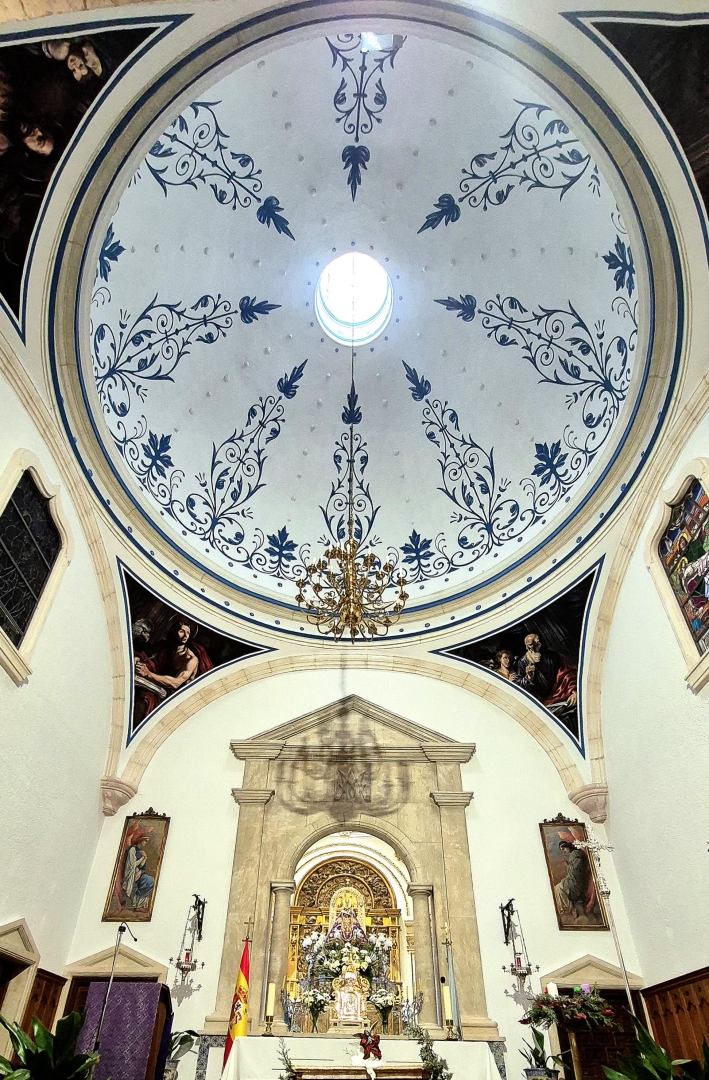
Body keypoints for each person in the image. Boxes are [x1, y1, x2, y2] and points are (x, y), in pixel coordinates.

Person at [135, 616, 213, 699]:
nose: (186, 636)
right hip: (160, 687)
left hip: (176, 697)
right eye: (182, 631)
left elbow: (176, 683)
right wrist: (136, 659)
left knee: (146, 698)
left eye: (188, 633)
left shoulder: (190, 659)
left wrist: (148, 674)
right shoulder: (164, 645)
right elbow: (145, 654)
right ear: (173, 632)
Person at [514, 633, 577, 729]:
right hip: (543, 702)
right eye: (531, 644)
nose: (536, 646)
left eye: (537, 642)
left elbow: (568, 673)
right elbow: (519, 687)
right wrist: (528, 677)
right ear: (527, 647)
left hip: (562, 694)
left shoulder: (553, 655)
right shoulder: (522, 662)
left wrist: (574, 691)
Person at [554, 836, 599, 923]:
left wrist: (568, 866)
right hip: (572, 878)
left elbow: (577, 869)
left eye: (564, 849)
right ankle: (570, 908)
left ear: (567, 846)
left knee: (559, 888)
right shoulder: (573, 854)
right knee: (557, 888)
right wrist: (568, 865)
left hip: (576, 881)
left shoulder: (576, 853)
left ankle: (570, 908)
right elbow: (573, 868)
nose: (564, 851)